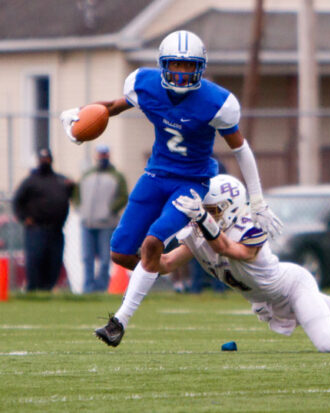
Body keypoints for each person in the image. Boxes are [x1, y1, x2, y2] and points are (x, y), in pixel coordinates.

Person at [59, 30, 282, 344]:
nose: (180, 72)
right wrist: (78, 117)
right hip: (155, 176)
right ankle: (179, 261)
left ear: (200, 68)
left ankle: (118, 322)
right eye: (174, 64)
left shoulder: (216, 102)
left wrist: (257, 200)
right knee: (121, 253)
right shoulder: (146, 86)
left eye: (187, 66)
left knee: (152, 243)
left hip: (191, 182)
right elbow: (111, 107)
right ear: (163, 65)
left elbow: (241, 149)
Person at [94, 175, 330, 352]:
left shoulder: (250, 231)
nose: (209, 215)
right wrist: (147, 243)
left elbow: (231, 250)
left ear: (232, 208)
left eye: (215, 210)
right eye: (207, 210)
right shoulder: (197, 234)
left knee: (328, 343)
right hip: (267, 299)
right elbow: (164, 264)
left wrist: (204, 222)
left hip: (291, 286)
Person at [12, 148, 74, 291]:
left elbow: (70, 196)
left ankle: (48, 289)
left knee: (54, 261)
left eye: (47, 159)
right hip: (36, 229)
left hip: (56, 228)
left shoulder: (60, 180)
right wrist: (24, 218)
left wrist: (71, 187)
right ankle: (34, 290)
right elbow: (17, 201)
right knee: (36, 259)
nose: (44, 162)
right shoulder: (30, 181)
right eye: (42, 159)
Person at [72, 145, 128, 293]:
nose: (102, 157)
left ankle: (101, 288)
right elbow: (76, 194)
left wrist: (110, 210)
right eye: (100, 154)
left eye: (105, 154)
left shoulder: (117, 176)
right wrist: (80, 208)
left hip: (107, 224)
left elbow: (123, 196)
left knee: (105, 258)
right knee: (87, 258)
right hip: (87, 223)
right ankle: (88, 289)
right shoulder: (87, 174)